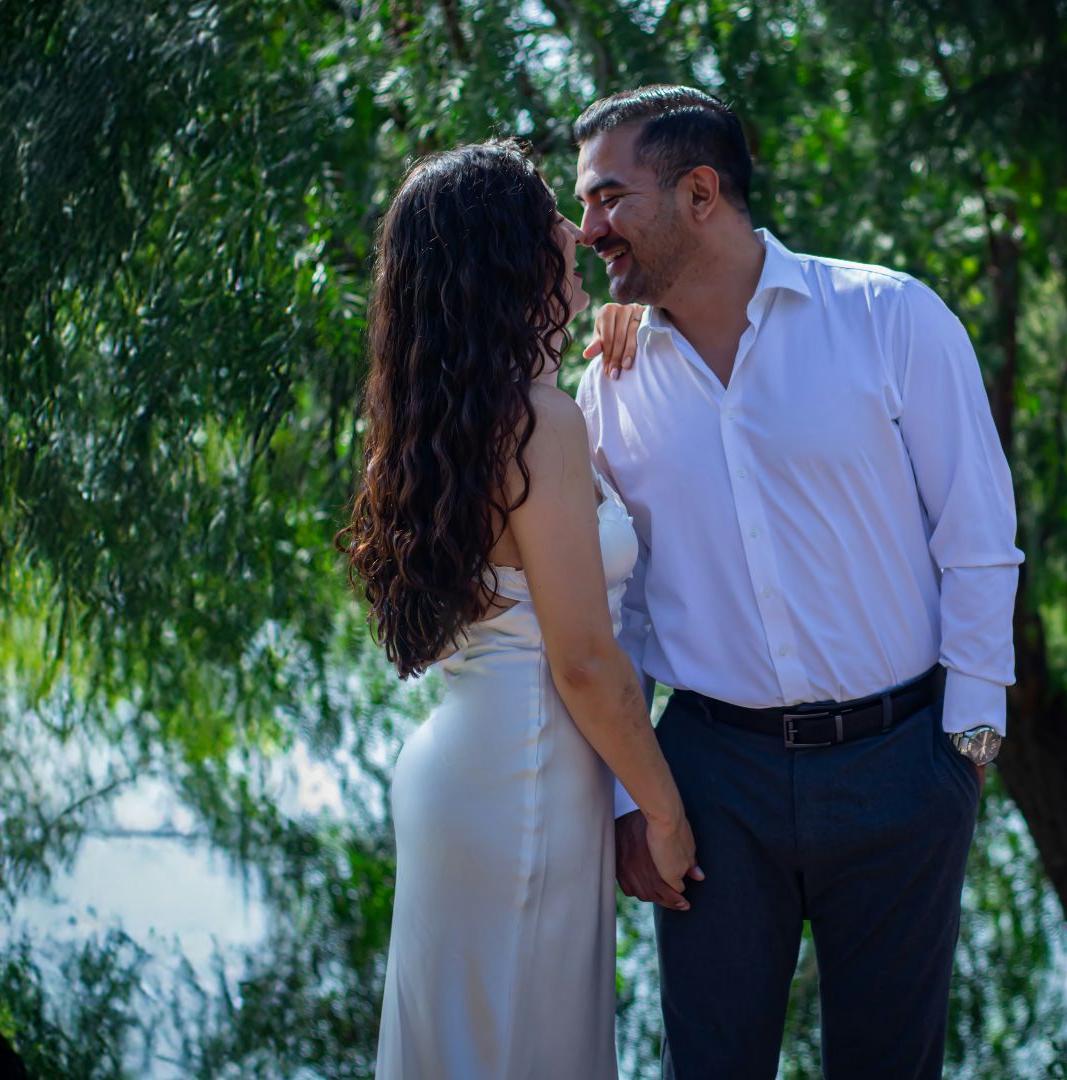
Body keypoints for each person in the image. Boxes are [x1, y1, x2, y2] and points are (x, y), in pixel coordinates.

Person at [573, 86, 1023, 1079]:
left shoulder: (890, 317)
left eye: (610, 199)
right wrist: (626, 800)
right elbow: (618, 614)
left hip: (903, 768)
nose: (588, 229)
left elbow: (979, 533)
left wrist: (968, 745)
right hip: (709, 786)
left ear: (700, 192)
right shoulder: (606, 386)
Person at [337, 139, 701, 1080]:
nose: (576, 229)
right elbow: (584, 660)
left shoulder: (453, 418)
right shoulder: (537, 423)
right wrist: (663, 811)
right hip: (526, 779)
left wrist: (630, 338)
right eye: (549, 209)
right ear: (504, 248)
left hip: (470, 770)